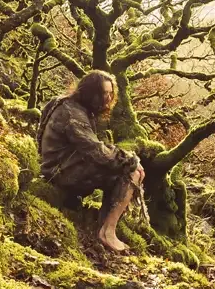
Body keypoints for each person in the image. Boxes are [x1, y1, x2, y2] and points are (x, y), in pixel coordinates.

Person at [38, 70, 144, 252]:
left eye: (111, 93)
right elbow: (96, 150)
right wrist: (127, 158)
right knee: (132, 172)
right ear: (90, 92)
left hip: (63, 166)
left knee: (130, 169)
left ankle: (104, 225)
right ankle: (107, 232)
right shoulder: (73, 114)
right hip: (60, 172)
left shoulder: (70, 105)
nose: (108, 98)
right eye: (104, 93)